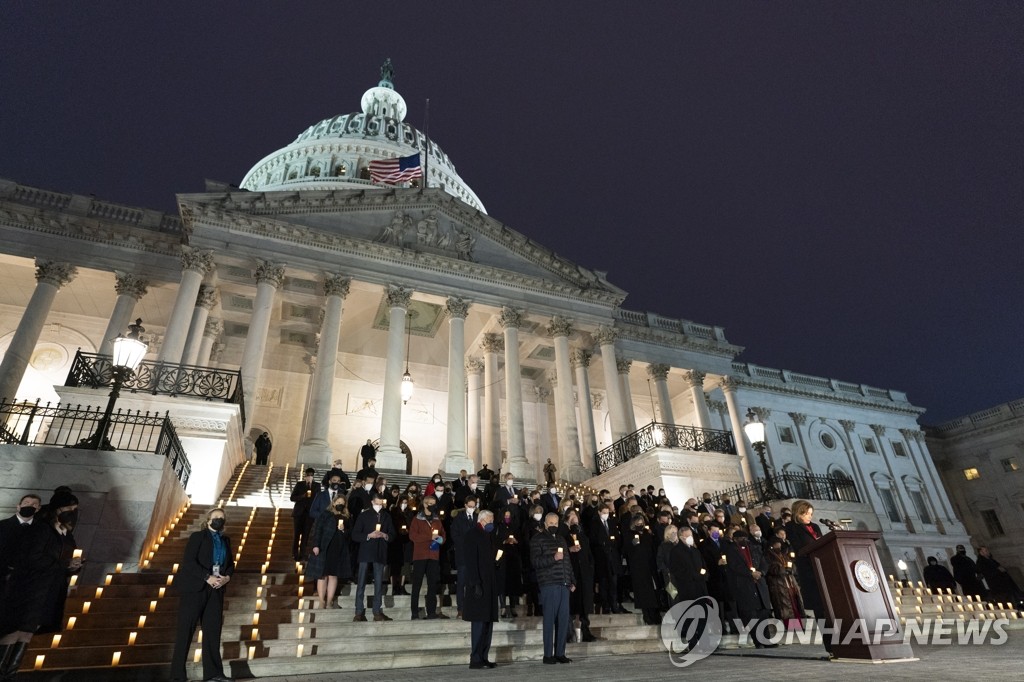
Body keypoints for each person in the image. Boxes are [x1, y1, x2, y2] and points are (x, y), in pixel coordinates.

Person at [0, 491, 82, 682]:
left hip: (49, 592)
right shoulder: (42, 529)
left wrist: (73, 567)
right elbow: (32, 558)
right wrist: (63, 565)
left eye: (75, 510)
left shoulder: (67, 536)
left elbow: (66, 562)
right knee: (13, 631)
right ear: (57, 509)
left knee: (27, 633)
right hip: (29, 588)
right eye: (68, 508)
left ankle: (10, 673)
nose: (72, 513)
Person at [169, 507, 233, 682]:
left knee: (213, 631)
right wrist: (207, 577)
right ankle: (177, 676)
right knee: (185, 631)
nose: (219, 520)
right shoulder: (198, 537)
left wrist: (226, 577)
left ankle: (214, 674)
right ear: (208, 520)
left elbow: (231, 564)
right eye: (216, 517)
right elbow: (189, 562)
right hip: (195, 589)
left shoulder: (226, 540)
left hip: (216, 589)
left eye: (222, 518)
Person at [785, 499, 830, 652]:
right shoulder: (792, 527)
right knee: (820, 609)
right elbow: (799, 547)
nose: (810, 517)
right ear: (799, 513)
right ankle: (830, 645)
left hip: (823, 567)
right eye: (807, 514)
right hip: (809, 571)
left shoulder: (815, 526)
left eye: (811, 514)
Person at [532, 512, 575, 664]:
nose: (553, 526)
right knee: (549, 620)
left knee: (563, 620)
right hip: (549, 583)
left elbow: (567, 562)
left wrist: (572, 580)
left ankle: (560, 653)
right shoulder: (538, 539)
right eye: (551, 523)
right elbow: (535, 562)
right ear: (545, 523)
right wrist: (553, 558)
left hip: (564, 584)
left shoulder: (562, 539)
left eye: (556, 524)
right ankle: (547, 655)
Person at [462, 510, 498, 669]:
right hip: (478, 584)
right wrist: (475, 583)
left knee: (488, 622)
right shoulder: (472, 534)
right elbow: (470, 561)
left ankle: (484, 656)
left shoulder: (488, 535)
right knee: (479, 621)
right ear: (482, 520)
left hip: (489, 583)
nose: (492, 522)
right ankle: (475, 657)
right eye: (490, 520)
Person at [725, 530, 775, 648]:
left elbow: (764, 562)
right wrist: (749, 574)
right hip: (744, 584)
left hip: (759, 583)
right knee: (751, 615)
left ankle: (766, 639)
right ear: (735, 539)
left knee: (763, 613)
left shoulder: (755, 548)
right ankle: (758, 641)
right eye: (741, 538)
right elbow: (734, 567)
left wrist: (761, 572)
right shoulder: (731, 551)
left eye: (745, 537)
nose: (744, 540)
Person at [351, 491, 394, 622]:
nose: (379, 506)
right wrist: (369, 536)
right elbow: (355, 535)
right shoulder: (364, 515)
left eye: (381, 504)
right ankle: (359, 611)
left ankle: (377, 611)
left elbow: (392, 534)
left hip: (380, 552)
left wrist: (385, 535)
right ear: (372, 502)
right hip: (365, 552)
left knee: (379, 583)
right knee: (361, 582)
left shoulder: (386, 516)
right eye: (377, 503)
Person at [306, 493, 352, 609]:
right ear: (334, 502)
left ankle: (330, 600)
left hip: (338, 548)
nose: (340, 505)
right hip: (324, 547)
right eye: (338, 502)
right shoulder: (325, 514)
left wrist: (344, 530)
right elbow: (318, 530)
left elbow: (350, 535)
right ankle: (322, 600)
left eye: (342, 503)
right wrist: (316, 545)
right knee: (322, 575)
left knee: (333, 575)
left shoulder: (347, 517)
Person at [561, 508, 597, 641]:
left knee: (585, 604)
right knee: (571, 603)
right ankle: (568, 634)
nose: (573, 517)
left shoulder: (582, 533)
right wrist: (570, 549)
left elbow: (588, 553)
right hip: (572, 572)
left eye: (575, 515)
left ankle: (586, 631)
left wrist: (591, 568)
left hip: (585, 573)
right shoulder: (564, 533)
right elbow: (560, 549)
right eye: (570, 515)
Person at [409, 495, 448, 619]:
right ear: (425, 504)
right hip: (420, 556)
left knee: (432, 584)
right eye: (430, 503)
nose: (433, 506)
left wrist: (441, 539)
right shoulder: (417, 519)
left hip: (433, 555)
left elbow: (443, 534)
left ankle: (431, 612)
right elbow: (413, 536)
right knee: (417, 585)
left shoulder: (437, 519)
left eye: (434, 503)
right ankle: (414, 612)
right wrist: (429, 537)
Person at [623, 513, 660, 625]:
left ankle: (655, 614)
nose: (640, 525)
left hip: (649, 567)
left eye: (642, 523)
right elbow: (626, 550)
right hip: (638, 568)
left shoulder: (647, 534)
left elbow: (652, 548)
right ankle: (646, 615)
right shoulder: (629, 534)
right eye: (638, 523)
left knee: (653, 591)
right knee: (643, 592)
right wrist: (633, 544)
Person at [0, 494, 41, 581]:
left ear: (38, 509)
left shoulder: (43, 529)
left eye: (34, 504)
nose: (30, 506)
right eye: (26, 503)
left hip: (30, 579)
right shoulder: (2, 526)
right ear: (18, 506)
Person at [765, 537, 803, 630]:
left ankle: (798, 625)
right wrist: (782, 569)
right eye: (776, 544)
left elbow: (791, 564)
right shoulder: (768, 556)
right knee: (784, 606)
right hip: (778, 584)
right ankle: (790, 626)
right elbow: (770, 569)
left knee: (794, 605)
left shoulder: (784, 554)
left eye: (779, 544)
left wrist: (790, 569)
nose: (779, 546)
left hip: (789, 581)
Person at [451, 496, 479, 618]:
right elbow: (455, 535)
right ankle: (460, 608)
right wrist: (467, 541)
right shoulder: (458, 518)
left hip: (474, 556)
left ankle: (472, 607)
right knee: (461, 583)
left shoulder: (477, 518)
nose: (472, 508)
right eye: (470, 506)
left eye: (474, 506)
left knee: (472, 583)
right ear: (465, 505)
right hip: (463, 555)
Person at [669, 527, 708, 602]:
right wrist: (693, 575)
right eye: (687, 536)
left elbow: (703, 565)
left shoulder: (695, 550)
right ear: (681, 537)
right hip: (688, 587)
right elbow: (676, 569)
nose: (690, 538)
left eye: (691, 535)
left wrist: (704, 574)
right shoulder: (675, 552)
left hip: (700, 585)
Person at [289, 468, 320, 561]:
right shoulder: (300, 484)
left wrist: (310, 488)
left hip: (309, 514)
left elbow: (318, 498)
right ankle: (294, 553)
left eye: (311, 475)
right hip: (299, 513)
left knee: (306, 535)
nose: (309, 476)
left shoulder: (316, 485)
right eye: (308, 475)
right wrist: (303, 496)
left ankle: (302, 554)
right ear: (305, 475)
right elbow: (292, 497)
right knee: (297, 534)